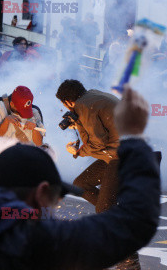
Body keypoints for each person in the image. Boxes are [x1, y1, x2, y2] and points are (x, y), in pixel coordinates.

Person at [0, 85, 161, 269]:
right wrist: (138, 152)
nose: (53, 207)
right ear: (41, 193)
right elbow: (136, 223)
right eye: (55, 199)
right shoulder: (37, 238)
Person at [56, 79, 144, 269]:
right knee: (81, 185)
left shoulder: (83, 106)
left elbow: (97, 144)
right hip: (121, 151)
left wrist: (77, 152)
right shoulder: (94, 95)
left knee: (104, 210)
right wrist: (78, 124)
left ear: (68, 102)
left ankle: (129, 261)